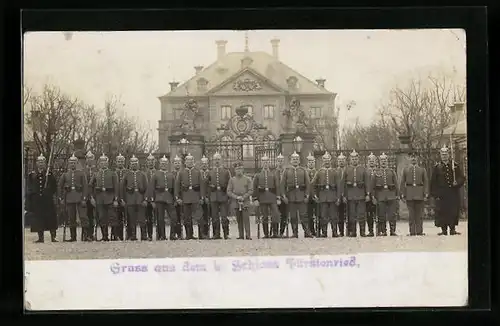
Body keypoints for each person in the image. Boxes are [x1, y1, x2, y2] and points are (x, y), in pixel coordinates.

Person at [430, 145, 465, 236]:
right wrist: (435, 194)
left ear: (449, 155)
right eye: (443, 154)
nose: (444, 156)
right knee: (442, 211)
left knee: (452, 211)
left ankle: (452, 229)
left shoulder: (455, 166)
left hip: (452, 193)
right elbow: (433, 182)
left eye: (446, 154)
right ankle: (444, 230)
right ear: (440, 155)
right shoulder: (437, 167)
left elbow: (462, 177)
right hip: (442, 194)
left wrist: (456, 182)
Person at [25, 153, 58, 243]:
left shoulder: (49, 174)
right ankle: (40, 238)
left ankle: (53, 237)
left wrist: (48, 191)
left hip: (47, 200)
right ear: (36, 163)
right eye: (39, 162)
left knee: (50, 218)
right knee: (38, 219)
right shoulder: (32, 175)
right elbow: (30, 187)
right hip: (37, 200)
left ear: (45, 163)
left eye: (42, 162)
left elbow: (54, 187)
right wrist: (32, 197)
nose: (41, 164)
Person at [311, 151, 344, 237]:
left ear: (330, 160)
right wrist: (315, 195)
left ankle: (334, 232)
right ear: (323, 161)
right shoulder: (319, 172)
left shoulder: (334, 171)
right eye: (325, 159)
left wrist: (338, 198)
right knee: (323, 215)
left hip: (332, 196)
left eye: (328, 159)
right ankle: (324, 232)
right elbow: (312, 184)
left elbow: (338, 186)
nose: (326, 161)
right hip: (322, 196)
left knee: (334, 215)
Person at [58, 153, 89, 242]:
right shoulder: (65, 174)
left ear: (77, 163)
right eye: (71, 162)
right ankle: (73, 237)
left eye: (74, 162)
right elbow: (60, 186)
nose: (72, 164)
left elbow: (85, 186)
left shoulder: (81, 173)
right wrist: (61, 198)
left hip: (79, 197)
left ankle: (85, 236)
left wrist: (84, 198)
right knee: (71, 217)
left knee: (83, 216)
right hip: (69, 197)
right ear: (69, 163)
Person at [280, 151, 312, 238]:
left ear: (299, 161)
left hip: (301, 196)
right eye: (293, 159)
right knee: (293, 216)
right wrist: (284, 196)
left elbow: (308, 184)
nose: (295, 160)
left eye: (297, 159)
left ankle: (307, 232)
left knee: (304, 215)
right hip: (291, 196)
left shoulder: (303, 170)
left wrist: (307, 195)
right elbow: (282, 185)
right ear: (290, 160)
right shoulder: (286, 171)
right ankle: (295, 233)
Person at [174, 153, 205, 240]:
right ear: (185, 162)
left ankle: (201, 234)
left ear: (193, 162)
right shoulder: (181, 173)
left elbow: (202, 185)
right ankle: (189, 234)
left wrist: (202, 197)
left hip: (196, 198)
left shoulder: (198, 172)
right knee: (187, 218)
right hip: (185, 198)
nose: (190, 162)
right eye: (188, 161)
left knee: (199, 216)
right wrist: (177, 198)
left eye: (191, 161)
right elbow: (177, 186)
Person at [89, 153, 119, 241]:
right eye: (101, 162)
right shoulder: (96, 174)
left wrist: (116, 199)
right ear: (99, 163)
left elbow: (116, 187)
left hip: (110, 198)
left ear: (107, 163)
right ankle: (105, 236)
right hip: (99, 199)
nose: (103, 164)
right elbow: (90, 186)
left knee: (113, 217)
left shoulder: (113, 173)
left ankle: (114, 235)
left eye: (104, 162)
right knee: (102, 217)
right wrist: (91, 198)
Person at [148, 155, 176, 241]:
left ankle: (172, 235)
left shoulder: (171, 175)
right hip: (159, 198)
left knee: (174, 217)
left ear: (168, 164)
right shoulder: (155, 175)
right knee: (160, 218)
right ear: (160, 164)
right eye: (162, 163)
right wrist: (152, 200)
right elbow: (151, 188)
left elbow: (174, 188)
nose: (164, 165)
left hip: (169, 198)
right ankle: (162, 235)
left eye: (165, 163)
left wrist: (175, 198)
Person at [400, 152, 429, 236]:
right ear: (409, 159)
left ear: (417, 158)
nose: (413, 159)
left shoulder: (422, 170)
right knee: (411, 214)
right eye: (411, 157)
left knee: (419, 214)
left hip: (419, 193)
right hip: (409, 193)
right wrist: (402, 193)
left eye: (415, 157)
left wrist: (426, 193)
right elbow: (402, 182)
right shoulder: (405, 170)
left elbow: (426, 182)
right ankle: (412, 231)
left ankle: (419, 231)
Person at [344, 149, 371, 237]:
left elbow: (367, 182)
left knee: (361, 214)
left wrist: (367, 194)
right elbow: (343, 183)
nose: (354, 160)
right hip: (351, 195)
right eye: (352, 158)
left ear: (358, 159)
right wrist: (343, 195)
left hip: (361, 195)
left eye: (356, 158)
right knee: (352, 215)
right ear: (350, 159)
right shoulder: (347, 169)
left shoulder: (363, 169)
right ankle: (353, 232)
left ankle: (362, 231)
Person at [253, 155, 281, 238]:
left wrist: (278, 197)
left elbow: (277, 186)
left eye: (267, 162)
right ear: (261, 163)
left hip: (272, 197)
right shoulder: (257, 175)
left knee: (275, 214)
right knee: (264, 216)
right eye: (264, 162)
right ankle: (266, 234)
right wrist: (255, 199)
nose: (265, 164)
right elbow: (254, 188)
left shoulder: (273, 174)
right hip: (262, 198)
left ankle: (275, 233)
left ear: (269, 163)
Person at [121, 155, 148, 240]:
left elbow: (147, 188)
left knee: (142, 219)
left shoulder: (143, 174)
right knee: (131, 219)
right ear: (130, 164)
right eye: (132, 163)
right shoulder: (126, 175)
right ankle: (133, 235)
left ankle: (144, 235)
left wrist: (145, 199)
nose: (134, 165)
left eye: (135, 163)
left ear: (138, 164)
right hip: (130, 199)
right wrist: (123, 199)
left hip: (140, 199)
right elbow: (122, 188)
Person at [373, 153, 399, 236]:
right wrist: (373, 197)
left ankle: (392, 230)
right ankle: (383, 230)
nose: (383, 162)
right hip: (380, 196)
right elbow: (373, 186)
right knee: (381, 215)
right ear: (379, 162)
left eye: (385, 160)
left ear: (387, 161)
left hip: (391, 195)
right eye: (382, 160)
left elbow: (396, 184)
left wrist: (397, 195)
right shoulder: (376, 172)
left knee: (392, 215)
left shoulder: (391, 172)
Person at [206, 152, 231, 239]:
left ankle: (225, 233)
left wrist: (228, 195)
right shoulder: (210, 172)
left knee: (224, 216)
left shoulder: (226, 171)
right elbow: (207, 184)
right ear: (213, 161)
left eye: (218, 159)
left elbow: (229, 184)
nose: (217, 161)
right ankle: (216, 234)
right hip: (213, 196)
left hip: (223, 196)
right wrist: (209, 193)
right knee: (214, 217)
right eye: (215, 159)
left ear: (221, 160)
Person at [227, 161, 253, 240]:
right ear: (234, 170)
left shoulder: (248, 179)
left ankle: (248, 235)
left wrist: (243, 197)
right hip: (236, 202)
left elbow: (251, 190)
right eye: (237, 169)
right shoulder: (232, 180)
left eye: (240, 169)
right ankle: (241, 235)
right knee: (239, 219)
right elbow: (229, 191)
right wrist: (236, 197)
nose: (239, 170)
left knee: (246, 218)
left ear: (243, 170)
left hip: (245, 202)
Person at [84, 151, 97, 240]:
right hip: (86, 196)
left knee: (94, 216)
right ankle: (87, 234)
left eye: (91, 158)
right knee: (86, 215)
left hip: (96, 196)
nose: (89, 160)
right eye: (88, 158)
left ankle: (93, 233)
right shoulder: (82, 171)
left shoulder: (97, 171)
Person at [114, 153, 128, 241]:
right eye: (118, 161)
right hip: (116, 197)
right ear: (116, 162)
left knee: (127, 217)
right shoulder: (113, 172)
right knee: (116, 217)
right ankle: (117, 235)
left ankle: (129, 234)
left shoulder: (127, 172)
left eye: (122, 161)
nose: (120, 163)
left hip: (126, 197)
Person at [305, 153, 318, 236]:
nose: (311, 163)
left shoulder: (318, 172)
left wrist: (316, 195)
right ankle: (309, 231)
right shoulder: (304, 172)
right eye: (309, 162)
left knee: (317, 214)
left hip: (316, 196)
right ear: (307, 163)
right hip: (308, 196)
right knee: (308, 214)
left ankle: (317, 231)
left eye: (312, 162)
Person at [275, 153, 288, 237]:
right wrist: (277, 196)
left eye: (281, 161)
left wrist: (285, 196)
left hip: (285, 196)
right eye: (279, 161)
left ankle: (282, 232)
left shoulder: (287, 171)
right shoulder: (274, 172)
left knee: (284, 215)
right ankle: (275, 232)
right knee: (275, 214)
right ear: (277, 162)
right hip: (276, 196)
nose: (280, 162)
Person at [144, 153, 156, 241]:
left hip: (157, 198)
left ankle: (160, 234)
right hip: (146, 198)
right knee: (147, 218)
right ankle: (149, 234)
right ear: (146, 162)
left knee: (158, 217)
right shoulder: (143, 173)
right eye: (149, 161)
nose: (151, 163)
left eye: (152, 161)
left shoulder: (158, 172)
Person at [365, 152, 378, 237]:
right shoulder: (365, 172)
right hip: (368, 197)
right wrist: (367, 195)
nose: (371, 162)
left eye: (373, 160)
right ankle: (370, 230)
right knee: (369, 214)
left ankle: (380, 230)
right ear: (367, 162)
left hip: (378, 196)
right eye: (370, 160)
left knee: (379, 214)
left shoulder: (379, 171)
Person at [336, 152, 348, 236]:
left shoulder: (349, 170)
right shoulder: (335, 171)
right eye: (339, 160)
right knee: (339, 214)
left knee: (349, 214)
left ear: (345, 161)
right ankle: (341, 231)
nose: (341, 162)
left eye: (343, 160)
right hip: (338, 195)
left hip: (348, 195)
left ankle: (349, 230)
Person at [172, 155, 184, 239]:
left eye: (178, 163)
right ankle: (174, 233)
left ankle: (180, 234)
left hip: (182, 198)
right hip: (173, 198)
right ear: (173, 164)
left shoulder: (183, 173)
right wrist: (175, 198)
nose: (177, 164)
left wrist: (181, 198)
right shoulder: (170, 174)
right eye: (175, 163)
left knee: (181, 216)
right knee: (174, 217)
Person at [200, 155, 211, 239]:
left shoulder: (210, 173)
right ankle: (201, 234)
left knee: (208, 216)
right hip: (200, 198)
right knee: (201, 216)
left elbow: (210, 186)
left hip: (209, 197)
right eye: (203, 164)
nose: (204, 165)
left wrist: (207, 196)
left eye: (205, 163)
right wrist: (201, 197)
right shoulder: (198, 173)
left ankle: (207, 233)